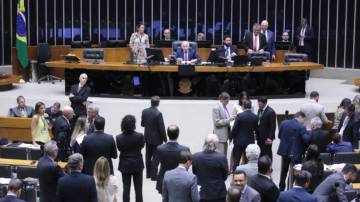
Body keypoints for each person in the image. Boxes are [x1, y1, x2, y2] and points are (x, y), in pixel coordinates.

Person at [277, 111, 311, 191]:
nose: (303, 121)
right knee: (294, 171)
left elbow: (279, 136)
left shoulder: (284, 123)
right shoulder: (301, 126)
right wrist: (310, 133)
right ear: (300, 117)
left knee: (283, 171)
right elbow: (306, 140)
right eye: (303, 119)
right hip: (296, 153)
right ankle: (290, 187)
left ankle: (281, 188)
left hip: (284, 151)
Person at [116, 115, 145, 202]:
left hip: (125, 164)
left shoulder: (119, 137)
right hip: (137, 164)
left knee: (126, 188)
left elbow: (120, 149)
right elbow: (141, 146)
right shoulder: (140, 136)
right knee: (138, 189)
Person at [192, 134, 228, 202]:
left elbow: (194, 172)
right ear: (215, 144)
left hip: (201, 193)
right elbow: (225, 176)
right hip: (218, 193)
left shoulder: (195, 156)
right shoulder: (221, 157)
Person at [156, 125, 190, 194]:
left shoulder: (160, 149)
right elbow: (187, 167)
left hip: (164, 179)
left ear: (167, 134)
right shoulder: (185, 149)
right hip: (179, 180)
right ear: (178, 134)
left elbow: (155, 165)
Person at [141, 96, 167, 180]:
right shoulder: (158, 114)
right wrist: (165, 139)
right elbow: (161, 128)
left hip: (147, 137)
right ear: (158, 103)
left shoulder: (144, 111)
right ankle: (153, 175)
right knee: (156, 157)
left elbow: (142, 124)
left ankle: (148, 174)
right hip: (157, 139)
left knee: (148, 156)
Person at [230, 100, 258, 171]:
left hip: (238, 141)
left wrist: (231, 137)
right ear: (251, 107)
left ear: (243, 107)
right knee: (247, 161)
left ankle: (235, 177)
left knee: (236, 160)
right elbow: (256, 129)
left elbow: (234, 129)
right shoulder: (254, 117)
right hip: (249, 142)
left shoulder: (239, 116)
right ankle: (246, 176)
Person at [212, 92, 235, 156]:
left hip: (225, 136)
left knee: (224, 155)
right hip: (220, 137)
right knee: (220, 155)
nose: (227, 103)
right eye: (227, 101)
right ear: (222, 99)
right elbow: (217, 122)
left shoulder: (224, 108)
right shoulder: (216, 108)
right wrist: (229, 119)